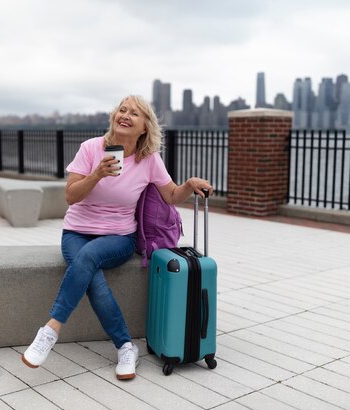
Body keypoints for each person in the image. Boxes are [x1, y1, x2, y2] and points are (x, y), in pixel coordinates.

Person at [21, 94, 213, 380]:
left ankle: (51, 329)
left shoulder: (149, 160)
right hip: (76, 232)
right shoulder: (90, 149)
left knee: (88, 258)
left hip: (119, 238)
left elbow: (172, 195)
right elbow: (71, 196)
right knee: (92, 275)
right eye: (122, 110)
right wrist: (96, 174)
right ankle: (125, 346)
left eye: (134, 113)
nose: (125, 115)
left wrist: (189, 184)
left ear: (145, 127)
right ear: (114, 117)